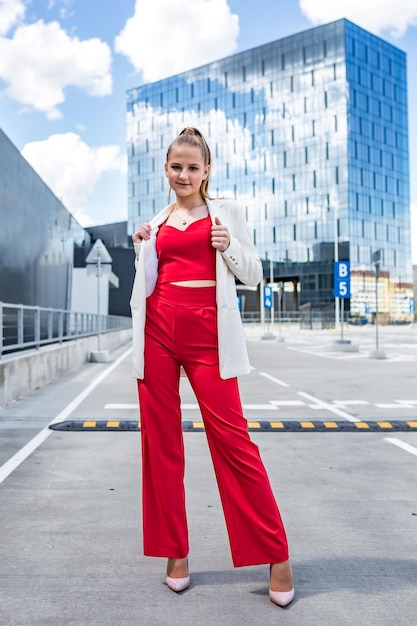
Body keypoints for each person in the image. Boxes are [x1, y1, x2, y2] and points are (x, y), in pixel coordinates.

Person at [130, 127, 294, 607]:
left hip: (209, 337)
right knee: (160, 443)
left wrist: (228, 245)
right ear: (166, 169)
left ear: (207, 172)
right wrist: (142, 243)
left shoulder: (227, 214)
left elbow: (255, 273)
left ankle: (276, 553)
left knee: (234, 442)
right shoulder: (157, 222)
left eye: (193, 167)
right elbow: (150, 280)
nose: (184, 174)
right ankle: (174, 553)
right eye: (176, 166)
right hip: (157, 331)